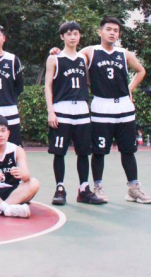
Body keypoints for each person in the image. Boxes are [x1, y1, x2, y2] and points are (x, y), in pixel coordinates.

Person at [53, 17, 151, 203]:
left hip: (124, 107)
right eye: (108, 29)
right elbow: (71, 57)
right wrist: (56, 51)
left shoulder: (124, 53)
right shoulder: (90, 52)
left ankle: (133, 188)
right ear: (100, 32)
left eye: (116, 30)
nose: (112, 33)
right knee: (99, 151)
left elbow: (141, 71)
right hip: (101, 107)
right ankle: (97, 186)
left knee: (128, 150)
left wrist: (129, 89)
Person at [44, 21, 105, 205]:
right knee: (59, 152)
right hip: (62, 109)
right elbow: (48, 86)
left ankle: (84, 189)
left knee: (83, 152)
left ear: (80, 36)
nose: (72, 37)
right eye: (69, 34)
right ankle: (60, 188)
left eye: (76, 34)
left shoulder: (83, 58)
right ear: (62, 36)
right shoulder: (54, 58)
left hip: (82, 110)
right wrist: (51, 111)